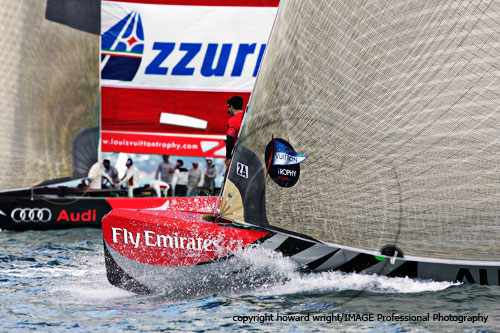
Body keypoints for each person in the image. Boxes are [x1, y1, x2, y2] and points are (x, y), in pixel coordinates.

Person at [225, 95, 244, 169]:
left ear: (232, 107)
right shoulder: (247, 116)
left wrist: (228, 157)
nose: (228, 110)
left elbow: (230, 139)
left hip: (239, 154)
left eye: (228, 107)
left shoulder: (233, 120)